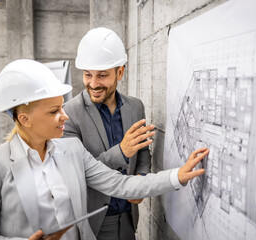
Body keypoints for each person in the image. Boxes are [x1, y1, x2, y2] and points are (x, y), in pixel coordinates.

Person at [0, 59, 209, 240]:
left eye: (61, 107)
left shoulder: (71, 149)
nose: (64, 116)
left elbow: (121, 184)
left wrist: (177, 175)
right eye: (54, 112)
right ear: (25, 119)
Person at [62, 27, 152, 239]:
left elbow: (143, 151)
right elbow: (76, 174)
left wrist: (142, 177)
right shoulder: (69, 114)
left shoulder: (136, 107)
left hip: (129, 218)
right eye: (87, 75)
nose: (93, 84)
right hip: (94, 223)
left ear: (120, 72)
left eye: (102, 75)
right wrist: (121, 152)